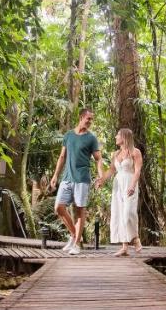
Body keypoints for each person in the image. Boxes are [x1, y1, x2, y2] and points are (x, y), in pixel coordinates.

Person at [49, 108, 102, 254]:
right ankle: (74, 235)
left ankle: (77, 244)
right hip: (67, 178)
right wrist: (55, 176)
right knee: (58, 207)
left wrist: (100, 175)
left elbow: (98, 159)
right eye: (88, 118)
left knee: (80, 210)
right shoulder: (69, 135)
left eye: (92, 119)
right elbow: (62, 157)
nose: (90, 122)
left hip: (82, 179)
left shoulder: (91, 138)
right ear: (81, 117)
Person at [99, 127, 143, 256]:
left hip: (130, 183)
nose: (115, 137)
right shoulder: (115, 154)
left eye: (118, 135)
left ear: (124, 137)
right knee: (119, 214)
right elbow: (112, 170)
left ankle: (135, 239)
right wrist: (102, 180)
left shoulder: (135, 152)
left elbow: (137, 171)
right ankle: (124, 247)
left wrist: (132, 185)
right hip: (118, 184)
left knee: (128, 213)